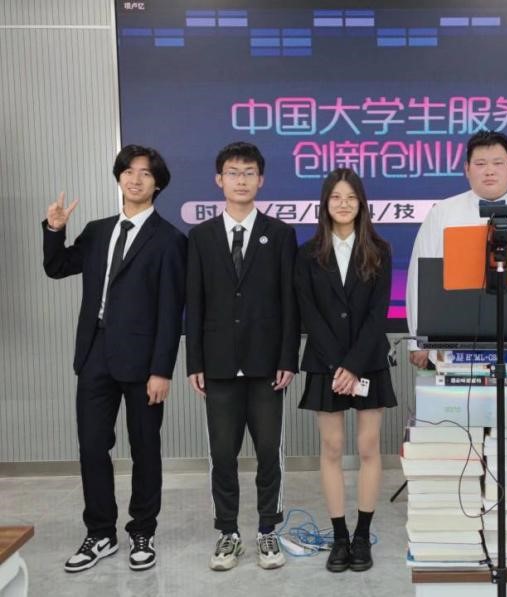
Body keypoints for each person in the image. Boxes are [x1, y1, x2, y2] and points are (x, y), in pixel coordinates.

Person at [43, 145, 186, 573]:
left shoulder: (170, 240)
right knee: (92, 447)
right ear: (119, 177)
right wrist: (54, 230)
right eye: (128, 171)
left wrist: (162, 370)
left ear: (157, 184)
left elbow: (171, 312)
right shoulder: (97, 230)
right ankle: (100, 533)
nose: (135, 179)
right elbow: (57, 266)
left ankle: (143, 530)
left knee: (145, 448)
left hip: (143, 363)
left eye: (145, 173)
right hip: (94, 354)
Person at [185, 142, 299, 571]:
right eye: (233, 173)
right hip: (217, 364)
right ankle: (228, 532)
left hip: (267, 364)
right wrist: (195, 362)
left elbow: (290, 303)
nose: (241, 180)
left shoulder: (280, 234)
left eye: (249, 172)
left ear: (261, 180)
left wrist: (288, 357)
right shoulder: (200, 237)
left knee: (269, 451)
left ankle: (268, 530)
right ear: (219, 180)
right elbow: (194, 303)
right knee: (222, 453)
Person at [295, 168, 396, 573]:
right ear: (325, 203)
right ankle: (339, 537)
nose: (343, 204)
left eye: (351, 197)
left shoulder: (379, 250)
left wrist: (353, 365)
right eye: (336, 197)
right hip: (325, 363)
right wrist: (338, 365)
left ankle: (361, 536)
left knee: (369, 448)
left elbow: (378, 314)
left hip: (368, 360)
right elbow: (308, 313)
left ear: (361, 204)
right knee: (332, 448)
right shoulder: (307, 253)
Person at [405, 130, 507, 367]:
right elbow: (420, 275)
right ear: (467, 169)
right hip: (453, 334)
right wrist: (418, 341)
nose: (489, 171)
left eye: (498, 163)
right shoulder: (442, 213)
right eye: (480, 164)